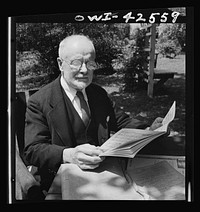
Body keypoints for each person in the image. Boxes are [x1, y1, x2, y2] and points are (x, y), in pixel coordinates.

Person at [24, 34, 164, 193]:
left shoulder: (98, 93)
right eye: (76, 63)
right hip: (58, 182)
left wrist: (148, 130)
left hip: (104, 177)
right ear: (60, 64)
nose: (84, 70)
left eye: (90, 63)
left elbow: (121, 121)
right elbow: (33, 150)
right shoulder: (39, 101)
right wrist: (69, 155)